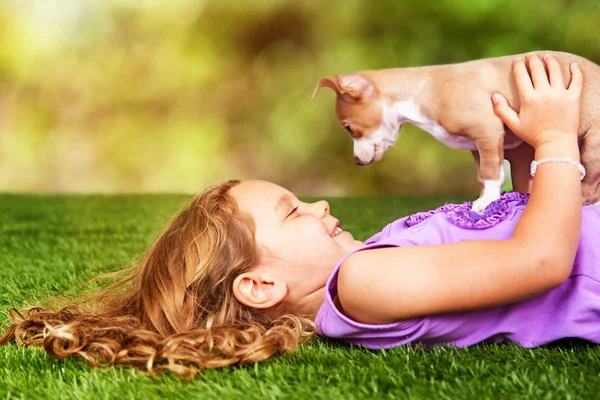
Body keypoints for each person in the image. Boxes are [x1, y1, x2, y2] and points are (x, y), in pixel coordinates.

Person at [1, 54, 597, 381]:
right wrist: (553, 140)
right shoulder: (362, 285)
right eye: (293, 211)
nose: (321, 206)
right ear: (261, 285)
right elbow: (540, 260)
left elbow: (524, 221)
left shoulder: (375, 255)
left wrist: (519, 153)